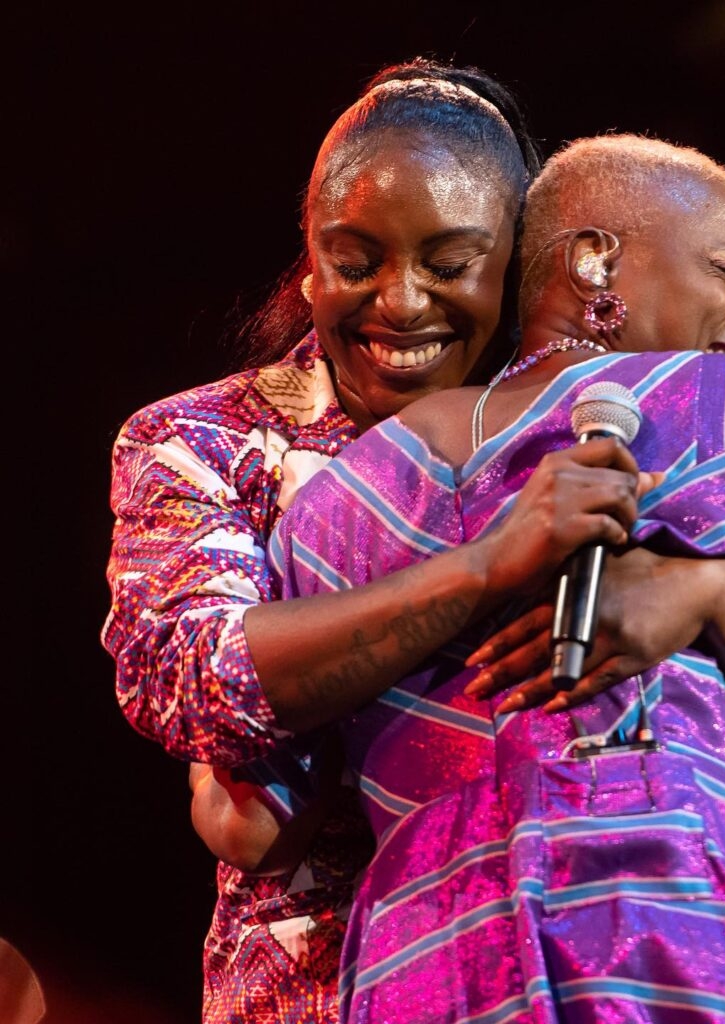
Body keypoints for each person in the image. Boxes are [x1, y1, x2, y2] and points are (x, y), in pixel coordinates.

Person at [267, 133, 725, 1022]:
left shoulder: (331, 502)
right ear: (593, 258)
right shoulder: (712, 397)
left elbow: (262, 807)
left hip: (428, 946)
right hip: (659, 888)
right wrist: (720, 593)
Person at [102, 57, 545, 1024]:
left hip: (551, 966)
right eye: (357, 262)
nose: (401, 301)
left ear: (515, 264)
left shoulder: (577, 435)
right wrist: (480, 575)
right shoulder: (203, 443)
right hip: (315, 994)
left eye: (449, 262)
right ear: (308, 259)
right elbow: (198, 678)